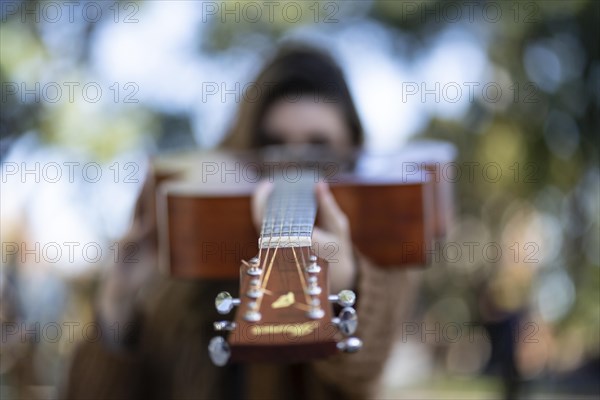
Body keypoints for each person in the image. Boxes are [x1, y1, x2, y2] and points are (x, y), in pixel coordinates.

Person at [63, 44, 421, 400]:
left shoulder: (379, 245)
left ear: (351, 151)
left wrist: (347, 289)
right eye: (272, 144)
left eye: (319, 147)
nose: (293, 167)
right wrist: (118, 304)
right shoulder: (186, 248)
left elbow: (363, 376)